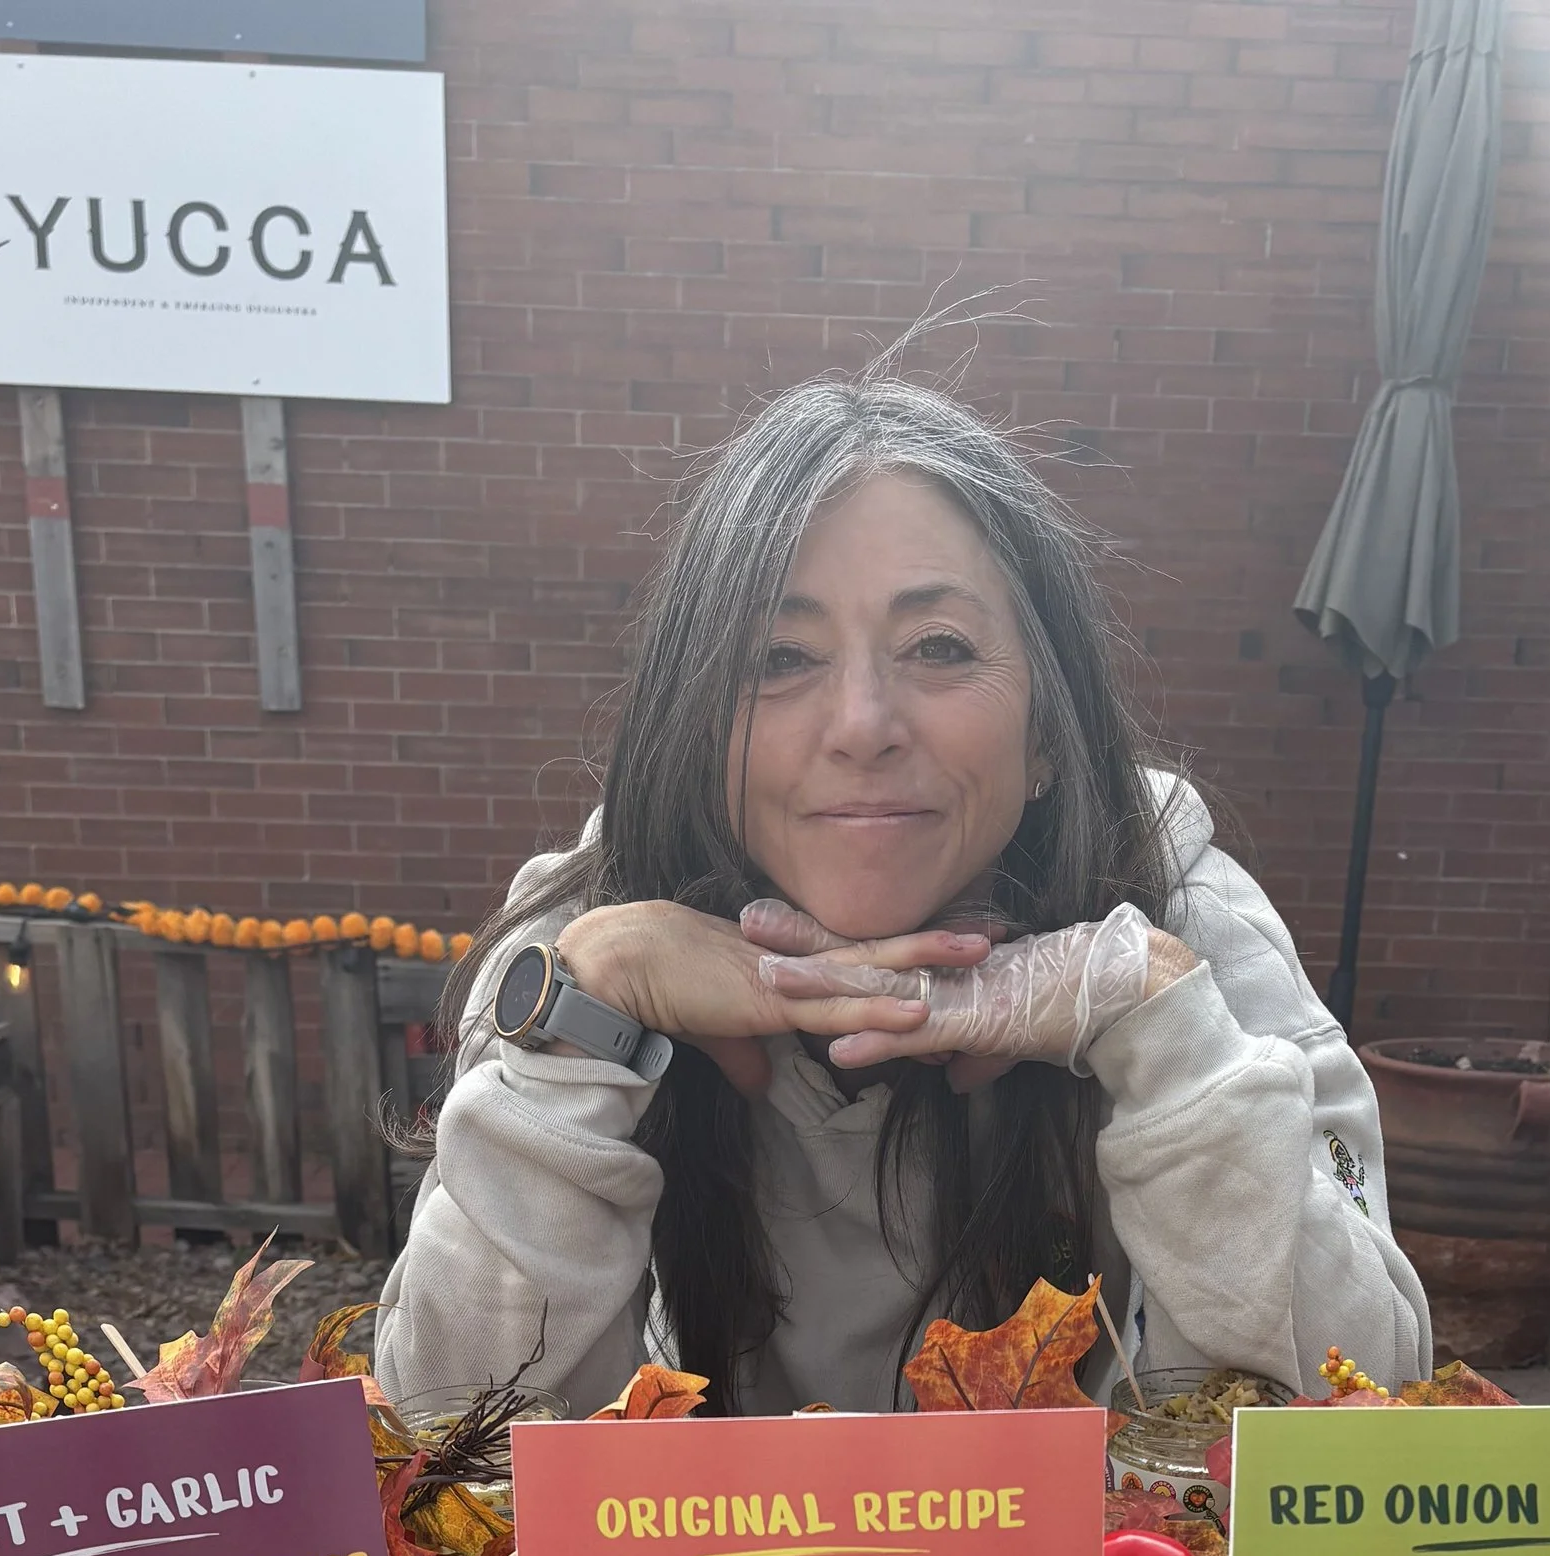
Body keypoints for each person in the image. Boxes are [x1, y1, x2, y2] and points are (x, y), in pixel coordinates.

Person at [374, 372, 1431, 1416]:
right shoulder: (582, 953)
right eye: (779, 656)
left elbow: (1366, 1423)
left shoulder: (1179, 912)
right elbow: (441, 1437)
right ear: (696, 728)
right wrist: (585, 1031)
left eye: (940, 648)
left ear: (1049, 734)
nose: (861, 724)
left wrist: (1163, 1031)